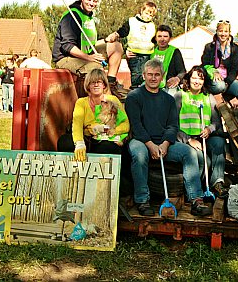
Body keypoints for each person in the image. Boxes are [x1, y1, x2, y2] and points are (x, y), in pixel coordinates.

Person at [125, 58, 212, 217]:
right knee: (139, 154)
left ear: (162, 76)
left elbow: (173, 126)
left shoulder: (169, 100)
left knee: (189, 153)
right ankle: (142, 201)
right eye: (149, 74)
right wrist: (151, 145)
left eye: (156, 75)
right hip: (141, 140)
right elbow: (136, 126)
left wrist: (165, 144)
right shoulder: (134, 97)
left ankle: (196, 200)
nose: (153, 78)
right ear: (143, 75)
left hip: (164, 142)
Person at [52, 0, 128, 101]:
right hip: (66, 58)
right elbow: (67, 46)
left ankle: (111, 82)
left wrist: (106, 41)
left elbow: (89, 43)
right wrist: (89, 57)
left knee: (116, 46)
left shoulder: (89, 17)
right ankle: (106, 104)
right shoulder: (72, 16)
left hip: (85, 54)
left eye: (95, 1)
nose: (91, 3)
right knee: (96, 68)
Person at [174, 66, 227, 197]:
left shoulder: (208, 97)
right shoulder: (180, 95)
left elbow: (216, 122)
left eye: (200, 78)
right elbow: (172, 124)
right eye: (194, 77)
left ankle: (217, 183)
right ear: (188, 79)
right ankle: (195, 192)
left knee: (219, 143)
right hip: (186, 138)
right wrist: (188, 139)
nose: (197, 81)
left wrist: (210, 129)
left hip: (204, 137)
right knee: (203, 160)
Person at [59, 68, 130, 161]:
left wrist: (108, 130)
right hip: (87, 138)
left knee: (106, 147)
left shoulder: (113, 100)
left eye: (99, 82)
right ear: (88, 86)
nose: (96, 85)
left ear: (104, 85)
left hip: (106, 139)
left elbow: (125, 125)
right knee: (65, 142)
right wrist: (79, 143)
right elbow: (77, 125)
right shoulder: (81, 102)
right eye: (93, 82)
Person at [106, 1, 157, 89]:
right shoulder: (132, 22)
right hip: (135, 54)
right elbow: (122, 32)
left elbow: (155, 40)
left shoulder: (152, 26)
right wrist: (115, 36)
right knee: (137, 77)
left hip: (148, 55)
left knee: (146, 77)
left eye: (151, 16)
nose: (148, 17)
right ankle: (135, 92)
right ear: (142, 11)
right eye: (147, 14)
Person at [201, 20, 238, 98]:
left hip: (228, 80)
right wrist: (214, 72)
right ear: (216, 31)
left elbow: (235, 69)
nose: (223, 34)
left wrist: (227, 82)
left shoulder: (235, 48)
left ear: (229, 32)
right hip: (213, 78)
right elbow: (205, 64)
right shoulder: (209, 47)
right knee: (220, 86)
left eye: (226, 31)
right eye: (220, 31)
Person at [151, 24, 186, 95]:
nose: (162, 39)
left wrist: (177, 79)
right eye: (159, 36)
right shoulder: (150, 51)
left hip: (169, 85)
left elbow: (182, 71)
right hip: (151, 84)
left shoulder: (175, 51)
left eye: (165, 36)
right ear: (155, 38)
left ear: (170, 38)